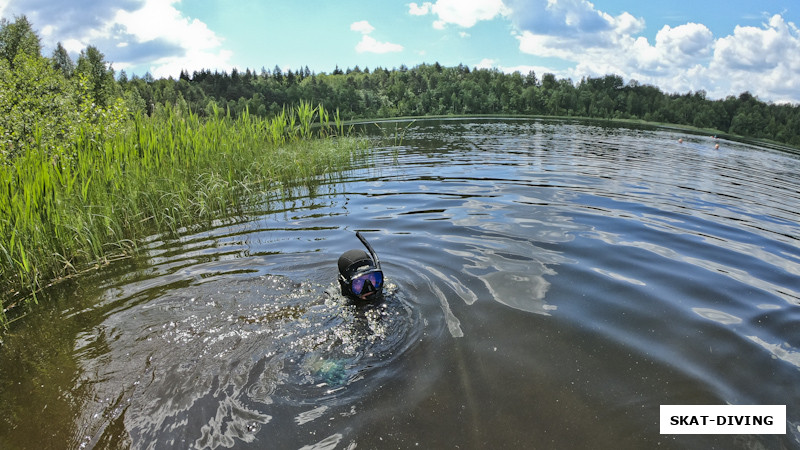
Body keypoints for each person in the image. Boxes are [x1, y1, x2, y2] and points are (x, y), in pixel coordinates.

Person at [337, 231, 384, 301]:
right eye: (358, 281)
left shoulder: (390, 294)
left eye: (371, 277)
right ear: (345, 286)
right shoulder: (332, 300)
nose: (369, 288)